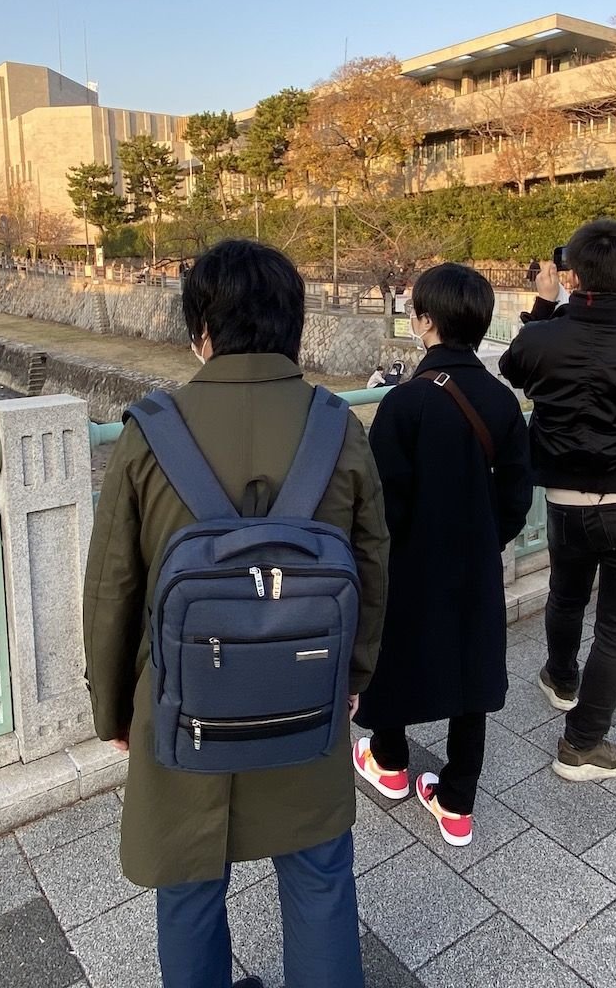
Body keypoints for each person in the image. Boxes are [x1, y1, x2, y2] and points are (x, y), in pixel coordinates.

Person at [83, 239, 390, 988]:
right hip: (307, 686)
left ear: (201, 329)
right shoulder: (337, 425)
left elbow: (113, 584)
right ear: (295, 326)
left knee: (188, 885)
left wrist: (115, 710)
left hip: (181, 700)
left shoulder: (150, 431)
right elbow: (373, 562)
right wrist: (353, 676)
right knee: (320, 877)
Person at [353, 264, 533, 845]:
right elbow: (517, 495)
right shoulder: (501, 401)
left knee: (393, 655)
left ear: (426, 321)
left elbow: (382, 504)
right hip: (475, 560)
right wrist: (486, 539)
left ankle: (390, 762)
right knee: (470, 668)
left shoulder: (404, 403)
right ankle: (456, 803)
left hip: (410, 563)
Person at [499, 219, 616, 782]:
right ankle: (582, 744)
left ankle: (561, 677)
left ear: (571, 273)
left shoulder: (540, 337)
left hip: (565, 497)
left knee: (566, 593)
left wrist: (545, 303)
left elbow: (513, 368)